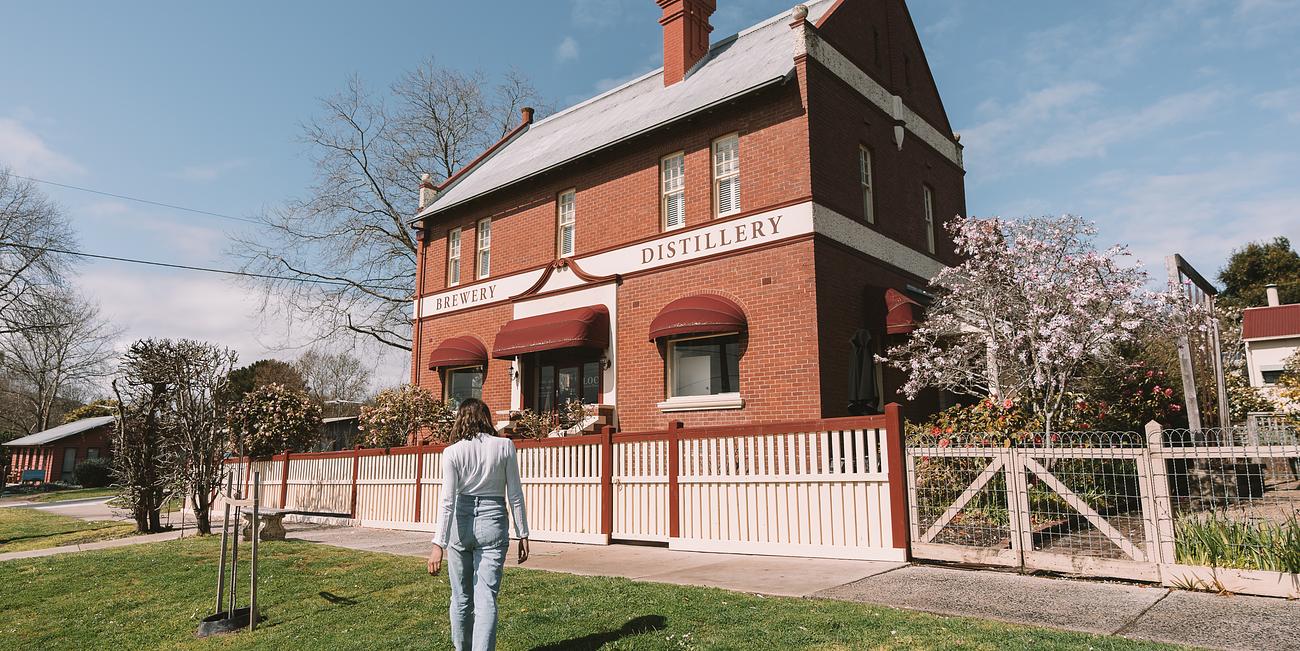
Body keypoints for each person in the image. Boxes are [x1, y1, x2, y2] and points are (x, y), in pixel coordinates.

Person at [427, 398, 530, 651]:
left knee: (461, 599)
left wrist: (437, 544)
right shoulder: (505, 446)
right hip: (493, 521)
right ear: (486, 418)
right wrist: (523, 533)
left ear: (461, 419)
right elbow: (514, 493)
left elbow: (448, 501)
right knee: (486, 600)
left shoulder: (452, 452)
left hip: (460, 525)